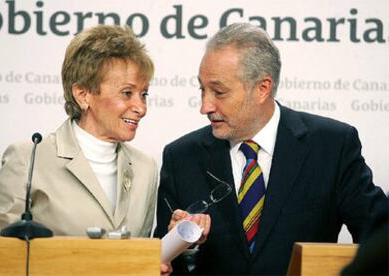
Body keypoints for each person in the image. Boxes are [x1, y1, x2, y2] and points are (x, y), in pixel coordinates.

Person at [154, 23, 388, 275]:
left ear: (262, 88)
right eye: (202, 89)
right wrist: (182, 244)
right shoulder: (181, 157)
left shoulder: (332, 146)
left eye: (218, 92)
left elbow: (380, 240)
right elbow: (161, 264)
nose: (205, 106)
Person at [0, 24, 158, 238]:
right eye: (127, 93)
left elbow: (141, 256)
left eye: (143, 94)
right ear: (83, 95)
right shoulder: (28, 159)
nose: (141, 107)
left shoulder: (145, 168)